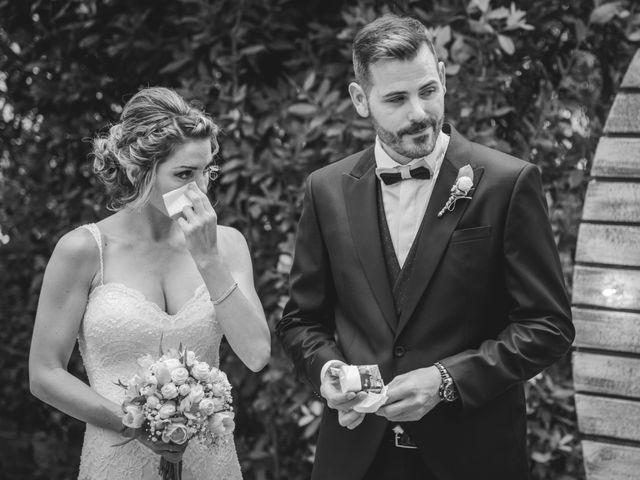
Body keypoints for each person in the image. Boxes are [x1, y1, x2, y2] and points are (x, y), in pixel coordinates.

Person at [277, 14, 574, 480]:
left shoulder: (507, 183)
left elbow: (548, 326)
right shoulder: (326, 189)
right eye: (396, 98)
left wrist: (447, 380)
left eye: (428, 90)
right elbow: (301, 320)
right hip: (356, 461)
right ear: (361, 100)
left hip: (473, 460)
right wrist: (327, 370)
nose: (419, 112)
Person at [29, 87, 270, 480]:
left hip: (210, 464)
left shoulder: (226, 244)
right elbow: (44, 374)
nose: (200, 191)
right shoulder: (83, 250)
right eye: (183, 174)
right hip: (116, 461)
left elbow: (257, 354)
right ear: (138, 171)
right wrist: (134, 425)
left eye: (206, 171)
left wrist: (207, 258)